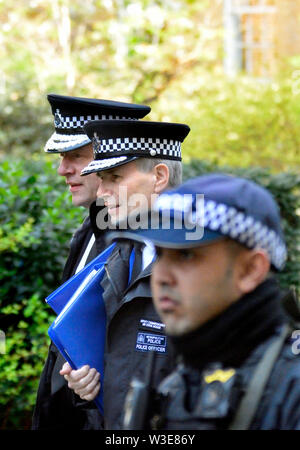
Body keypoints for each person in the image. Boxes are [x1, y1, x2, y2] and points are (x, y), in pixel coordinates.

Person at [109, 174, 300, 430]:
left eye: (186, 255)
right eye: (161, 253)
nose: (161, 276)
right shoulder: (181, 379)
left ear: (251, 270)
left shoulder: (291, 388)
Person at [59, 118, 190, 429]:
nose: (102, 192)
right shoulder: (120, 254)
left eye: (114, 177)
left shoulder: (203, 269)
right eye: (101, 178)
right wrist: (85, 386)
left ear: (159, 176)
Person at [32, 95, 151, 430]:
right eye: (61, 157)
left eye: (75, 156)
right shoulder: (91, 225)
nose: (62, 169)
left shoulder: (141, 244)